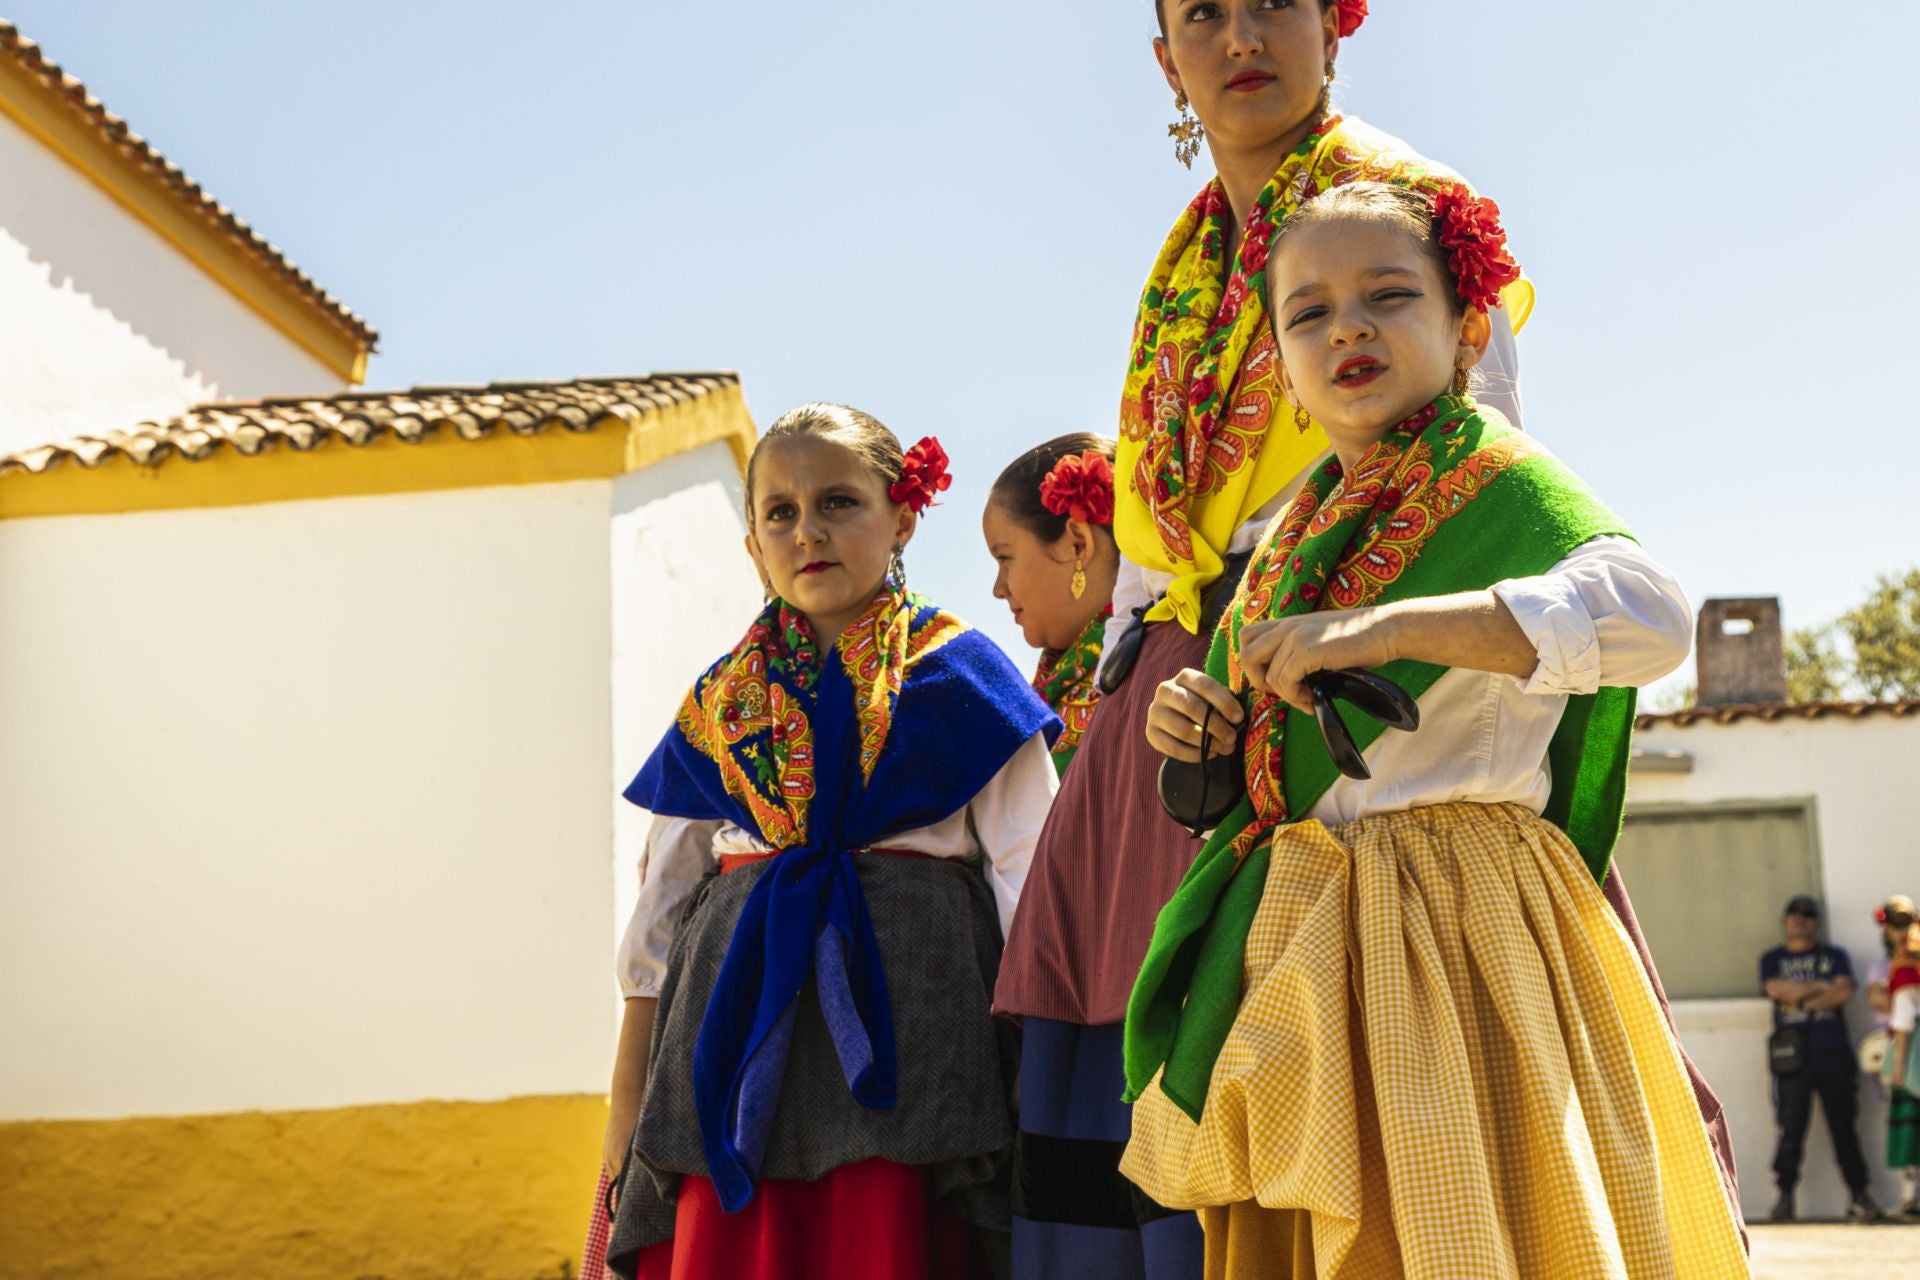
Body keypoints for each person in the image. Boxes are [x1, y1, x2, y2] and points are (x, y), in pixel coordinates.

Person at [994, 1, 1738, 1267]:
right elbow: (1162, 536)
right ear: (1164, 52)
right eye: (1202, 13)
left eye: (1273, 1)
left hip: (1410, 730)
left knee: (1465, 1156)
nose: (1241, 35)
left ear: (1333, 25)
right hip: (1222, 715)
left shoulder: (1406, 207)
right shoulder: (1186, 268)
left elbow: (1464, 483)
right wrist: (1157, 702)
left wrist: (1377, 618)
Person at [597, 404, 1061, 1280]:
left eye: (840, 503)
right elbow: (659, 920)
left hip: (920, 1034)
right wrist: (627, 1107)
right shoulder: (720, 705)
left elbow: (1030, 878)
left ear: (903, 519)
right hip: (729, 1040)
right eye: (780, 512)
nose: (808, 531)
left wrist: (1031, 1066)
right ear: (752, 545)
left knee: (886, 1246)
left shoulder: (962, 676)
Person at [984, 434, 1121, 775]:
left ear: (1077, 544)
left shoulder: (1149, 674)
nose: (998, 589)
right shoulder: (1057, 694)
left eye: (1005, 557)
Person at [1760, 893, 1882, 1223]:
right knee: (1791, 1127)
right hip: (1792, 1056)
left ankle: (1860, 1195)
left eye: (1808, 914)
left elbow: (1843, 992)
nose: (1801, 918)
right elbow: (1775, 989)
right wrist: (1820, 992)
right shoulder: (1772, 958)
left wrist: (1798, 998)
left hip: (1833, 1054)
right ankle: (1784, 1197)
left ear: (1817, 921)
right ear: (1785, 920)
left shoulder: (1834, 955)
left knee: (1843, 1127)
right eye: (1794, 913)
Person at [1883, 910, 1920, 1217]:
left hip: (1912, 1061)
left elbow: (1904, 1020)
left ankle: (1911, 1198)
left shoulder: (1906, 971)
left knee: (1909, 1129)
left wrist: (1898, 1068)